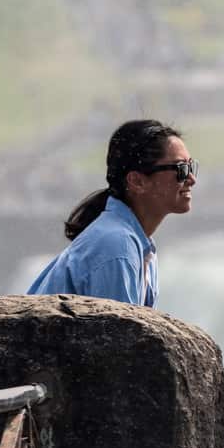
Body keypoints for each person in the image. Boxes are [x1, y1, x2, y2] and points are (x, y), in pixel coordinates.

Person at [27, 119, 198, 307]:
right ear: (137, 181)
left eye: (191, 167)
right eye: (181, 169)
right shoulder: (116, 245)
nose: (192, 179)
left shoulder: (139, 245)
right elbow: (117, 335)